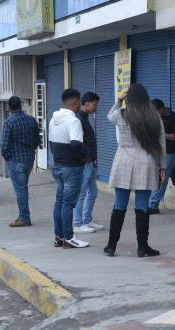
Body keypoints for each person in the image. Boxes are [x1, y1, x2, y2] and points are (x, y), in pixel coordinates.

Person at [104, 83, 166, 257]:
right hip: (146, 162)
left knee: (119, 205)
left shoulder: (121, 114)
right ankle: (142, 247)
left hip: (123, 161)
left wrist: (118, 100)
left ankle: (111, 246)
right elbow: (161, 143)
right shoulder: (154, 116)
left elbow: (109, 116)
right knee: (142, 207)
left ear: (128, 98)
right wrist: (162, 166)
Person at [48, 89, 89, 249]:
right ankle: (69, 238)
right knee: (68, 204)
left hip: (58, 166)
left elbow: (52, 143)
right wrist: (83, 158)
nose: (80, 105)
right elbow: (76, 144)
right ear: (73, 103)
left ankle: (58, 237)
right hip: (72, 168)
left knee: (59, 202)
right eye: (79, 102)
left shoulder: (53, 120)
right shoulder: (74, 121)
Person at [1, 96, 41, 228]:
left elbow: (4, 145)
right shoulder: (31, 120)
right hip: (29, 159)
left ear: (9, 107)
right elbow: (37, 141)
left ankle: (24, 217)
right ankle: (24, 215)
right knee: (23, 188)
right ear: (21, 105)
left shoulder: (9, 122)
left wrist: (7, 158)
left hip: (15, 160)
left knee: (20, 190)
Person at [73, 92, 103, 234]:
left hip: (90, 162)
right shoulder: (78, 119)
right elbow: (77, 142)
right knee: (81, 193)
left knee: (93, 192)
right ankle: (78, 224)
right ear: (87, 103)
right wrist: (84, 158)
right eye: (95, 104)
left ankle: (87, 220)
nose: (96, 107)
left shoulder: (84, 117)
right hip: (84, 163)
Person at [148, 99, 175, 215]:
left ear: (162, 109)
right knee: (156, 178)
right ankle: (152, 204)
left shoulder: (173, 117)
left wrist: (160, 134)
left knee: (161, 180)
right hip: (158, 152)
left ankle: (153, 206)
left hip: (170, 153)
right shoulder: (155, 118)